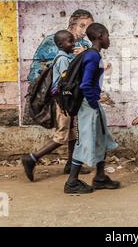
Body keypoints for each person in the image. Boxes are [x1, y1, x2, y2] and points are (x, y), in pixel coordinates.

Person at [21, 30, 90, 182]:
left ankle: (71, 164)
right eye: (70, 42)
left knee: (72, 133)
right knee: (61, 136)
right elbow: (67, 80)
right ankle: (33, 158)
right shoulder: (63, 59)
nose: (73, 44)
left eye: (73, 41)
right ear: (60, 44)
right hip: (62, 102)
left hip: (66, 101)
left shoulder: (63, 57)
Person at [64, 23, 120, 194]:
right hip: (89, 105)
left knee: (101, 138)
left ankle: (100, 177)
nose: (109, 39)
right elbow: (86, 84)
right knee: (85, 141)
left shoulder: (92, 55)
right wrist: (94, 103)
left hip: (92, 103)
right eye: (108, 35)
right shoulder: (93, 56)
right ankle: (72, 182)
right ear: (100, 35)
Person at [27, 9, 93, 83]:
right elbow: (36, 69)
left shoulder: (86, 45)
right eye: (82, 26)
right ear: (72, 23)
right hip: (52, 89)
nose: (85, 31)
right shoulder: (52, 40)